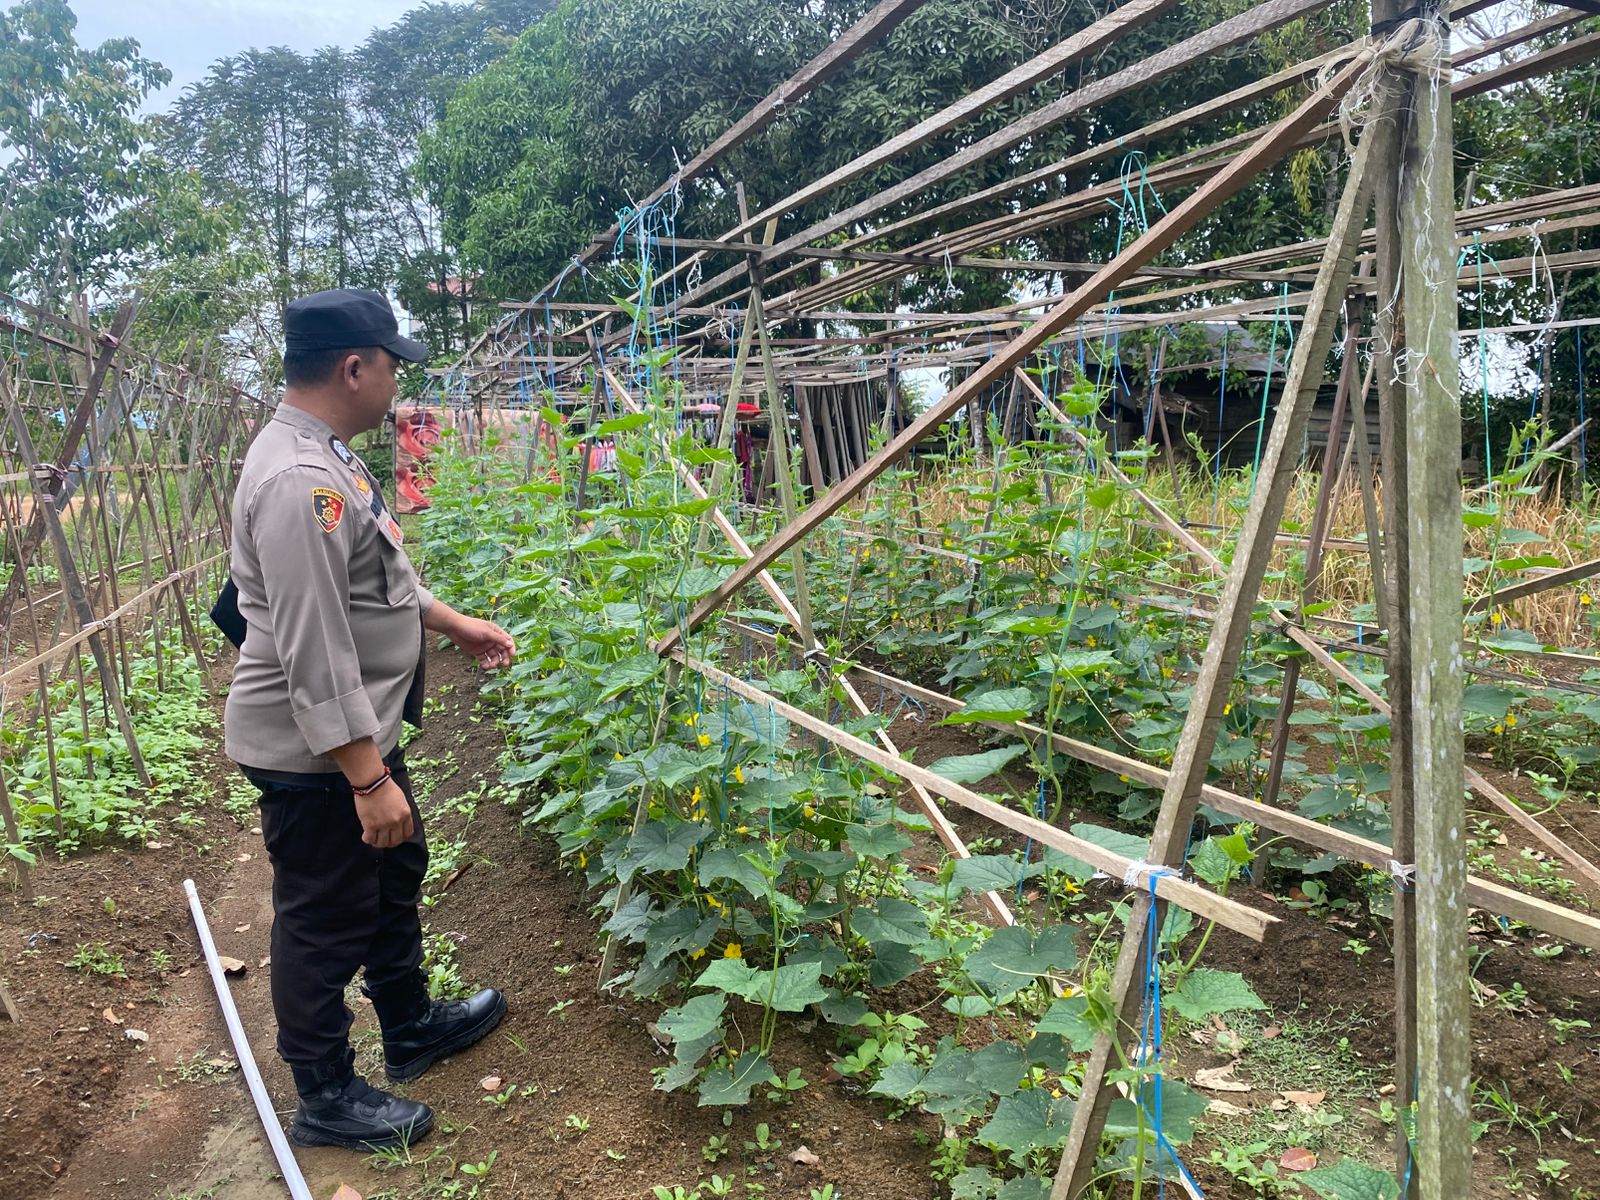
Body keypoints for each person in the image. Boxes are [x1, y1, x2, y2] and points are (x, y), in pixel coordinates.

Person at [220, 289, 515, 1151]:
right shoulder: (299, 481)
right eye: (392, 365)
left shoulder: (328, 458)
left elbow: (372, 581)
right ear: (354, 367)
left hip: (354, 740)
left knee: (393, 869)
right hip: (318, 753)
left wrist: (452, 621)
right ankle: (325, 1096)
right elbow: (313, 645)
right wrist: (368, 778)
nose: (396, 381)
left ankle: (411, 1025)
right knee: (323, 916)